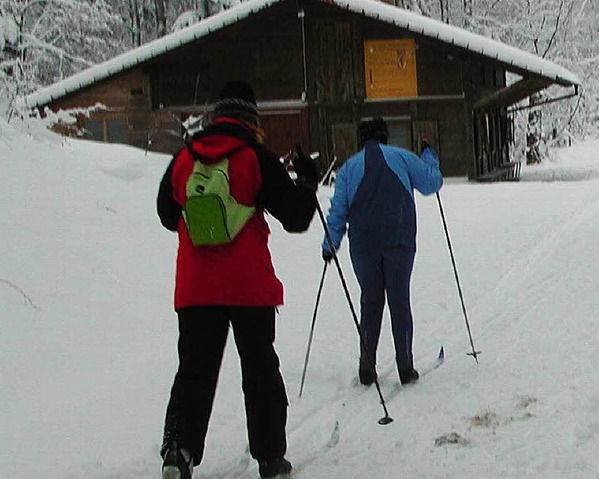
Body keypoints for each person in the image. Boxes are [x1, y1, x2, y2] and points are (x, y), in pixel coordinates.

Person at [156, 80, 318, 479]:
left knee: (194, 370)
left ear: (216, 115)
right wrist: (307, 181)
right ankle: (269, 457)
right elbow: (296, 219)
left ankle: (179, 451)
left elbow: (166, 213)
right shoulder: (255, 158)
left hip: (195, 287)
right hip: (248, 285)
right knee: (260, 369)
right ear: (251, 119)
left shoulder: (184, 158)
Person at [321, 118, 442, 386]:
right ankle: (405, 366)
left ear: (361, 138)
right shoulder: (403, 158)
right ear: (385, 136)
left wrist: (330, 243)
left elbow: (338, 211)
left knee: (371, 302)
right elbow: (432, 184)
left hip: (363, 245)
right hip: (399, 239)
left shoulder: (348, 169)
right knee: (399, 302)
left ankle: (367, 366)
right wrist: (430, 156)